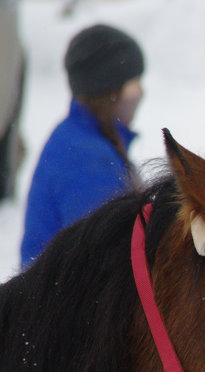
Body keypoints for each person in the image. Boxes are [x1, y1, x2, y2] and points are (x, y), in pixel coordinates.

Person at [20, 23, 144, 269]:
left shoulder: (83, 137)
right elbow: (106, 259)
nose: (141, 93)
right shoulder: (84, 160)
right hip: (57, 303)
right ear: (110, 91)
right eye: (133, 82)